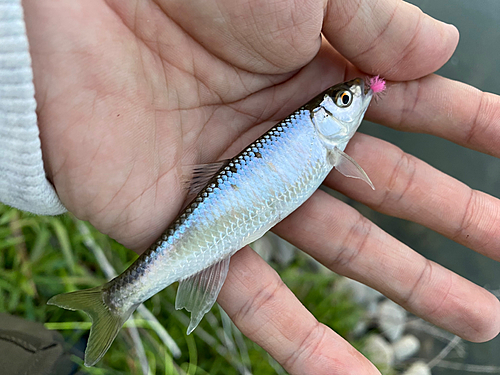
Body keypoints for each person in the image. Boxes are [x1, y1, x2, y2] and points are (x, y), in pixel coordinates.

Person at [2, 0, 500, 373]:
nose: (358, 100)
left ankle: (119, 297)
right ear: (327, 115)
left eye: (348, 97)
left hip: (219, 214)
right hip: (212, 219)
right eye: (347, 100)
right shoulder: (324, 143)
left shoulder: (328, 143)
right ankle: (118, 297)